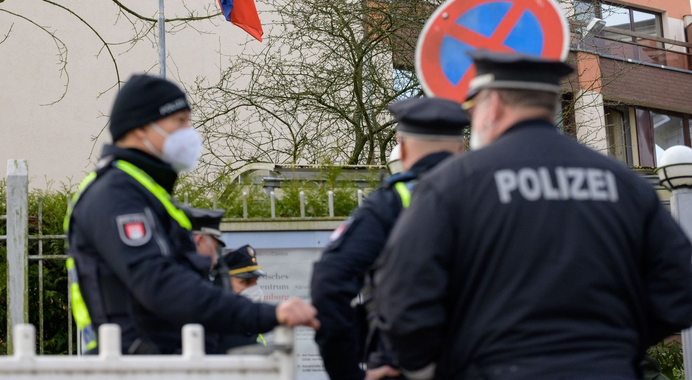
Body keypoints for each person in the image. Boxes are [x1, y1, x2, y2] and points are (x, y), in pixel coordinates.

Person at [374, 51, 692, 380]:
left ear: (493, 104)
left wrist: (433, 365)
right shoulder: (624, 183)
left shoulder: (453, 184)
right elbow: (679, 287)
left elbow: (404, 297)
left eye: (472, 108)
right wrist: (615, 344)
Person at [64, 74, 318, 355]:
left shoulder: (145, 191)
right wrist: (266, 314)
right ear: (141, 128)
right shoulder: (116, 194)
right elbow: (161, 286)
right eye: (180, 121)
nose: (190, 131)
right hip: (137, 364)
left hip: (163, 360)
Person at [311, 97, 470, 380]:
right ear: (461, 147)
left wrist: (347, 374)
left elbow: (329, 286)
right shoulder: (496, 199)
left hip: (401, 365)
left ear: (402, 145)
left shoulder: (388, 203)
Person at [219, 245, 269, 351]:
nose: (255, 289)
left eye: (255, 282)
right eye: (245, 282)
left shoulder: (252, 328)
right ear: (224, 284)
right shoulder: (215, 333)